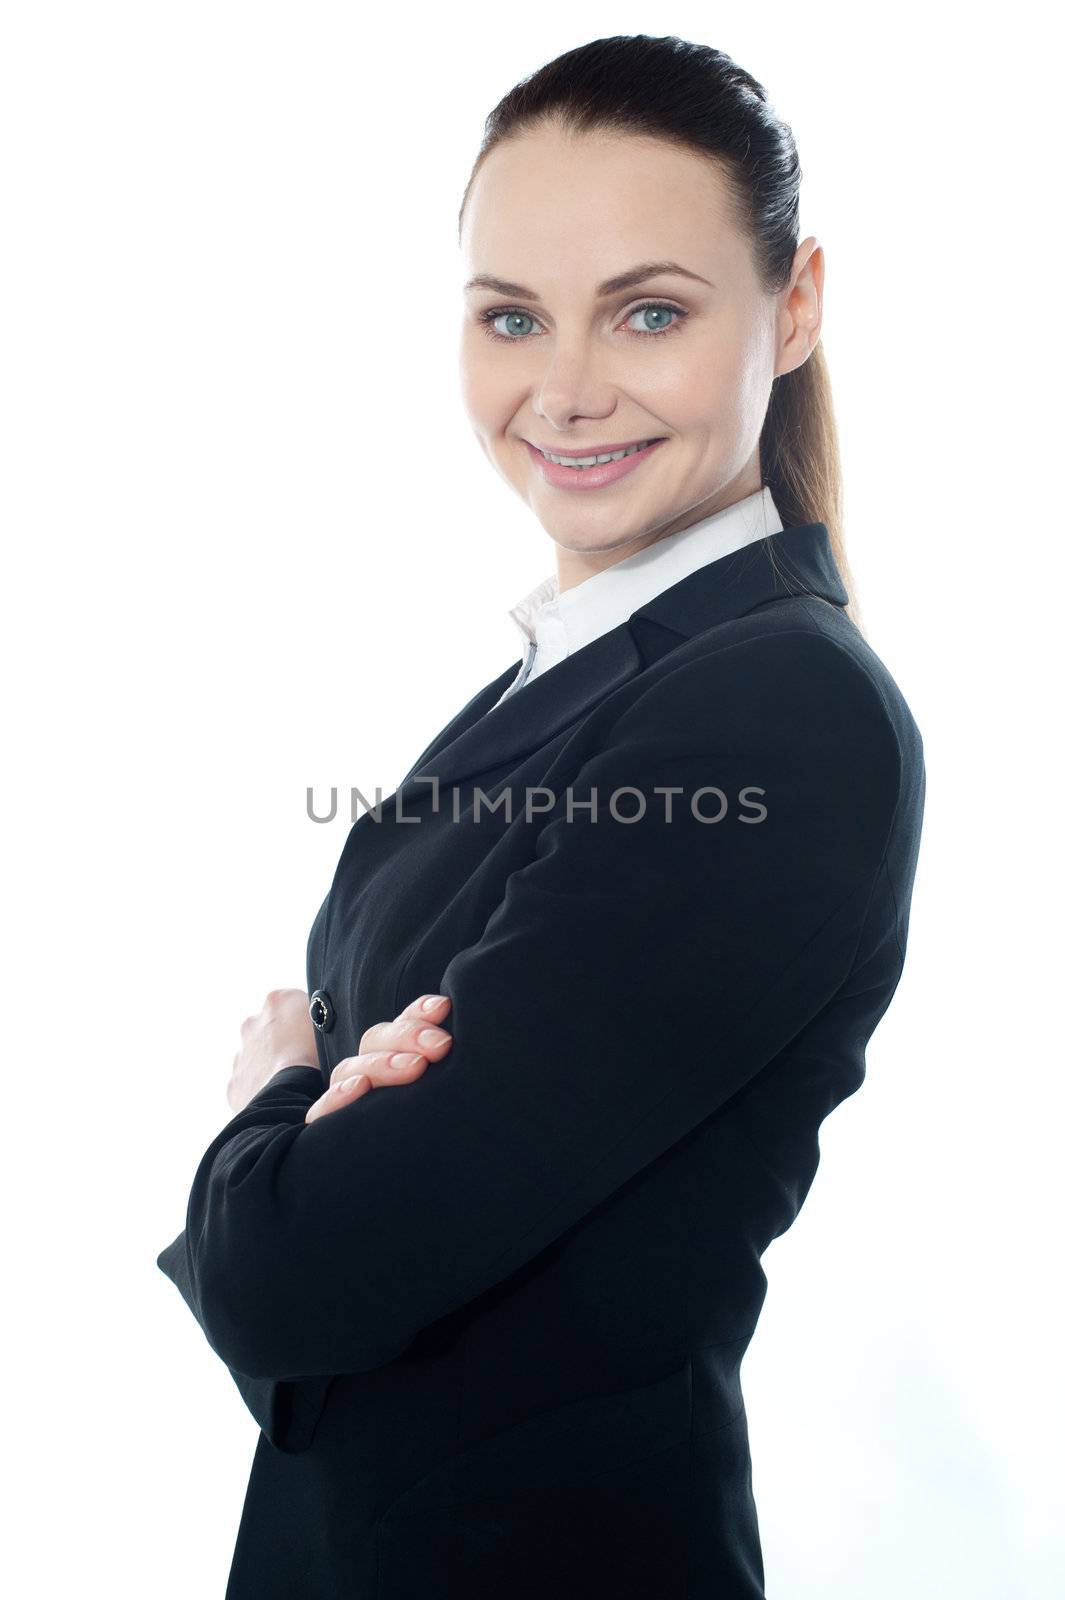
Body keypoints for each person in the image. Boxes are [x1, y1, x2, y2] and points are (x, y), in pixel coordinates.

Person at [157, 33, 926, 1599]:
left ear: (792, 309)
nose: (563, 391)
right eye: (512, 317)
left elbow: (297, 1284)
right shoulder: (578, 677)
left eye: (648, 312)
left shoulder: (773, 712)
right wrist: (327, 1149)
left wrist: (273, 1100)